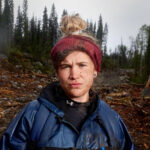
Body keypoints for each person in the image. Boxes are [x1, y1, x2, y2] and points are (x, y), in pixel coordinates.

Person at [0, 14, 135, 150]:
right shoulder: (33, 115)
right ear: (57, 71)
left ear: (95, 70)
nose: (74, 75)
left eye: (82, 65)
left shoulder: (112, 120)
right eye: (66, 66)